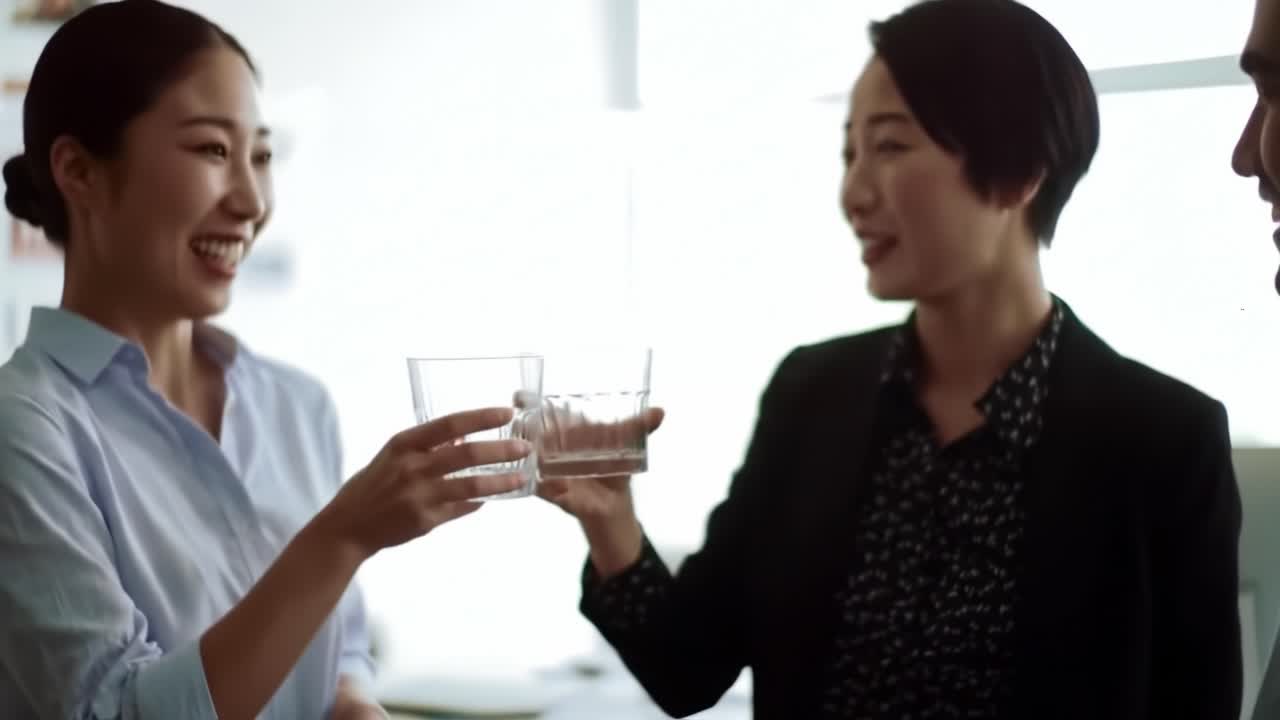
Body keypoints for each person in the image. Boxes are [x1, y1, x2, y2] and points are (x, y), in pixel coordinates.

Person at [539, 0, 1244, 717]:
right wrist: (610, 520)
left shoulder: (1162, 439)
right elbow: (687, 669)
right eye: (850, 153)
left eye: (892, 147)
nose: (854, 194)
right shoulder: (811, 393)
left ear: (1019, 170)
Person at [0, 1, 531, 718]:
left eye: (262, 154)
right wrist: (341, 536)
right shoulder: (26, 429)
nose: (252, 200)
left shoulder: (294, 405)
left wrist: (353, 702)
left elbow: (336, 651)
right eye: (213, 151)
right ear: (79, 171)